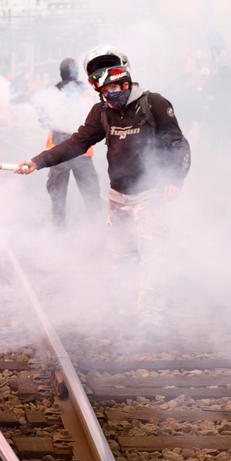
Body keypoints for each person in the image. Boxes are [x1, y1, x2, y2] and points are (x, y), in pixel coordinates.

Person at [17, 47, 190, 326]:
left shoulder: (155, 104)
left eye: (118, 87)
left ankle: (150, 320)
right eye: (106, 90)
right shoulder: (102, 111)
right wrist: (38, 162)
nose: (113, 94)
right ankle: (124, 310)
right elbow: (77, 142)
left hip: (152, 193)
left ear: (127, 80)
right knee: (121, 254)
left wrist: (173, 179)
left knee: (153, 255)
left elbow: (177, 143)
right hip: (118, 196)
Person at [38, 57, 101, 228]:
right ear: (76, 72)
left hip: (57, 151)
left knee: (58, 198)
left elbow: (43, 120)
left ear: (60, 73)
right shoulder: (87, 92)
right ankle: (99, 231)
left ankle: (59, 234)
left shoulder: (51, 92)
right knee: (91, 195)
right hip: (82, 149)